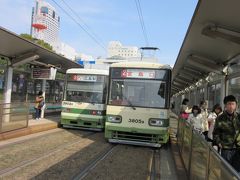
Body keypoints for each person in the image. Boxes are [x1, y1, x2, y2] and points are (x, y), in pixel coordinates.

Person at [213, 95, 240, 173]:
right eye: (229, 104)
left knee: (237, 172)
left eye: (233, 104)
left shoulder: (239, 117)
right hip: (226, 149)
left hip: (238, 149)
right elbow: (216, 133)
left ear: (236, 105)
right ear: (225, 105)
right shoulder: (220, 118)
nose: (231, 106)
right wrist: (219, 143)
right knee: (225, 172)